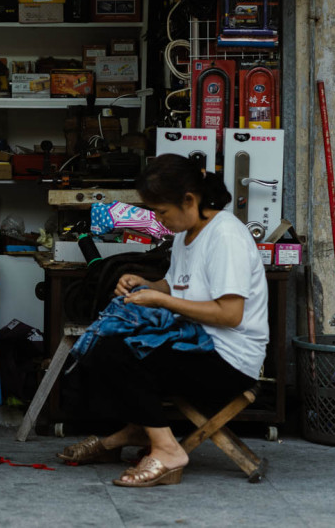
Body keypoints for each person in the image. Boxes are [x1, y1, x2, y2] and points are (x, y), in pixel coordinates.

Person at [57, 153, 268, 488]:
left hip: (229, 360)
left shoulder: (225, 235)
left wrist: (160, 299)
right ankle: (135, 432)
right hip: (195, 342)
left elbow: (230, 314)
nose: (158, 219)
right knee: (103, 343)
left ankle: (168, 451)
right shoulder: (186, 235)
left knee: (117, 353)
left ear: (189, 200)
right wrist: (146, 285)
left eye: (161, 211)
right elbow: (178, 284)